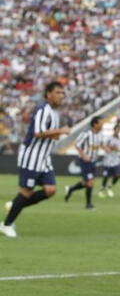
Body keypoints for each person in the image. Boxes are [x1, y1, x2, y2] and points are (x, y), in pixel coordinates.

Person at [0, 82, 70, 238]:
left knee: (50, 190)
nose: (61, 95)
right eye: (58, 92)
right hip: (32, 156)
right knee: (26, 192)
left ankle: (16, 205)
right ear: (48, 94)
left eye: (62, 93)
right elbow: (38, 133)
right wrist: (60, 130)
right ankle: (6, 224)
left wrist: (57, 133)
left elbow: (52, 135)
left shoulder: (54, 113)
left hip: (44, 158)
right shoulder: (42, 110)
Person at [64, 116, 104, 210]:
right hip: (85, 161)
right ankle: (88, 205)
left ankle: (70, 189)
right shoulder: (86, 133)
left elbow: (100, 144)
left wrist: (106, 148)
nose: (102, 125)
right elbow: (77, 144)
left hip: (93, 161)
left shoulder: (99, 134)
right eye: (100, 123)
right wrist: (83, 155)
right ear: (95, 124)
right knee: (90, 183)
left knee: (86, 183)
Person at [98, 123, 120, 198]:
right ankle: (101, 190)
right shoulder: (109, 138)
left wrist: (117, 150)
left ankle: (110, 187)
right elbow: (103, 145)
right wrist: (109, 148)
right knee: (106, 176)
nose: (118, 131)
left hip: (116, 160)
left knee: (117, 175)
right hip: (107, 160)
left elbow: (117, 148)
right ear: (114, 130)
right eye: (117, 129)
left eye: (119, 130)